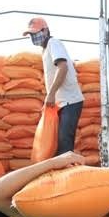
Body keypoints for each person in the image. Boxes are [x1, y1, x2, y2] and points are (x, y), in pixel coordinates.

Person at [23, 17, 84, 155]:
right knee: (58, 145)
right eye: (31, 35)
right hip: (61, 103)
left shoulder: (53, 43)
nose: (33, 37)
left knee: (64, 145)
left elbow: (63, 68)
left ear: (45, 30)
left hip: (70, 101)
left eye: (35, 33)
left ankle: (68, 174)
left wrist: (50, 95)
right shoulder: (45, 50)